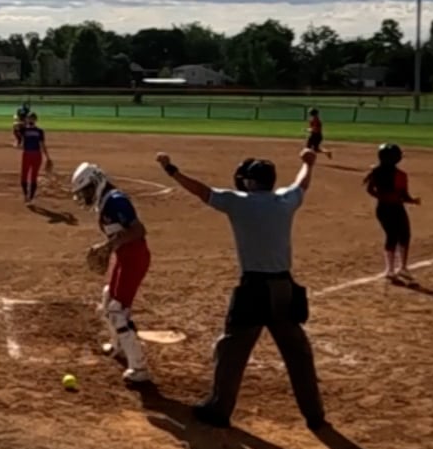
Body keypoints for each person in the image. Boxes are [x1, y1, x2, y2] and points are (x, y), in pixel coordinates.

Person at [158, 147, 327, 431]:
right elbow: (302, 183)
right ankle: (315, 414)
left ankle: (219, 409)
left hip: (254, 290)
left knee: (231, 351)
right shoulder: (285, 200)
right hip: (284, 288)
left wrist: (171, 170)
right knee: (298, 353)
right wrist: (309, 163)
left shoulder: (239, 202)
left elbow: (202, 191)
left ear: (250, 182)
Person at [71, 162, 154, 386]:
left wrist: (109, 245)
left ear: (97, 182)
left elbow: (138, 230)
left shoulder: (117, 201)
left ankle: (139, 368)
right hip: (125, 257)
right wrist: (109, 247)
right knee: (108, 298)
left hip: (134, 259)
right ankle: (119, 346)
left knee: (118, 311)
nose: (85, 196)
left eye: (87, 190)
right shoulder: (106, 201)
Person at [364, 143, 421, 284]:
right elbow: (404, 195)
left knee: (392, 236)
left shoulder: (375, 172)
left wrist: (382, 197)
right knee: (403, 236)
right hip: (396, 208)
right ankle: (401, 268)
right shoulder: (400, 175)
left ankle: (390, 270)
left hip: (382, 208)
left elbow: (370, 190)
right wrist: (413, 200)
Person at [17, 112, 53, 203]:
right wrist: (47, 157)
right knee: (27, 176)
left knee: (30, 176)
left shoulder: (35, 131)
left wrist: (47, 156)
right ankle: (27, 196)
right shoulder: (27, 130)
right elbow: (16, 127)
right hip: (31, 155)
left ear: (35, 120)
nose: (31, 120)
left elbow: (42, 145)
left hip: (33, 155)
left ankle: (30, 197)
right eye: (30, 118)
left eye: (32, 118)